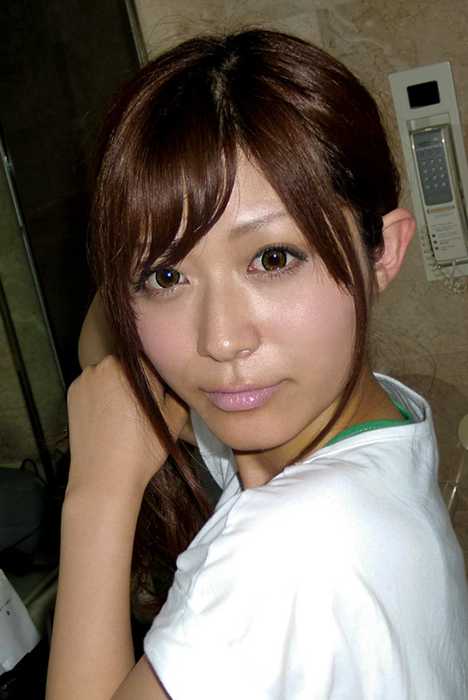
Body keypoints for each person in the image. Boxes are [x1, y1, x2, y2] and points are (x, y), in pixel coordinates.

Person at [46, 28, 468, 700]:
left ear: (382, 252)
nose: (220, 341)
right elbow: (103, 331)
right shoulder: (356, 420)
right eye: (166, 276)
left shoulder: (286, 550)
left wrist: (98, 496)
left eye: (272, 259)